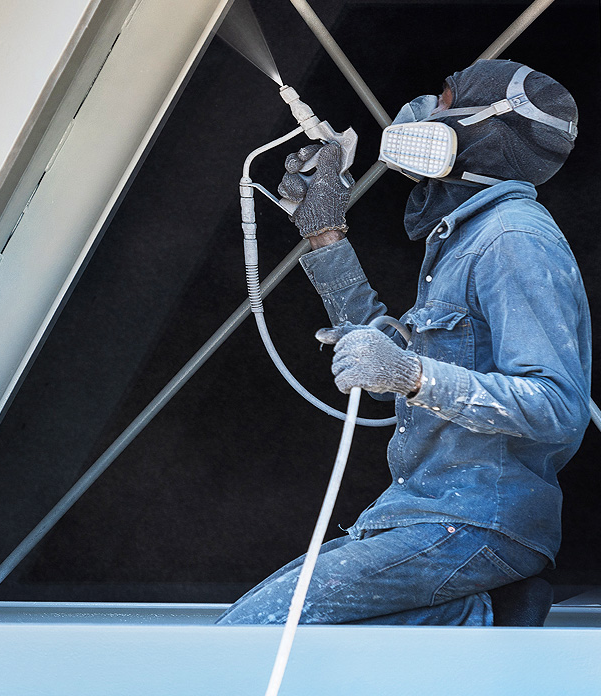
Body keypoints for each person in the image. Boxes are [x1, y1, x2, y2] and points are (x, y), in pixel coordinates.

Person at [217, 59, 592, 626]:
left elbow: (558, 407)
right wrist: (324, 234)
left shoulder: (512, 239)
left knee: (255, 632)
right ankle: (488, 611)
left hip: (473, 523)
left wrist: (412, 376)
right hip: (423, 516)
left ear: (486, 128)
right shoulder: (462, 238)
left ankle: (484, 614)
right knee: (290, 637)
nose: (423, 110)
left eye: (443, 100)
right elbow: (384, 370)